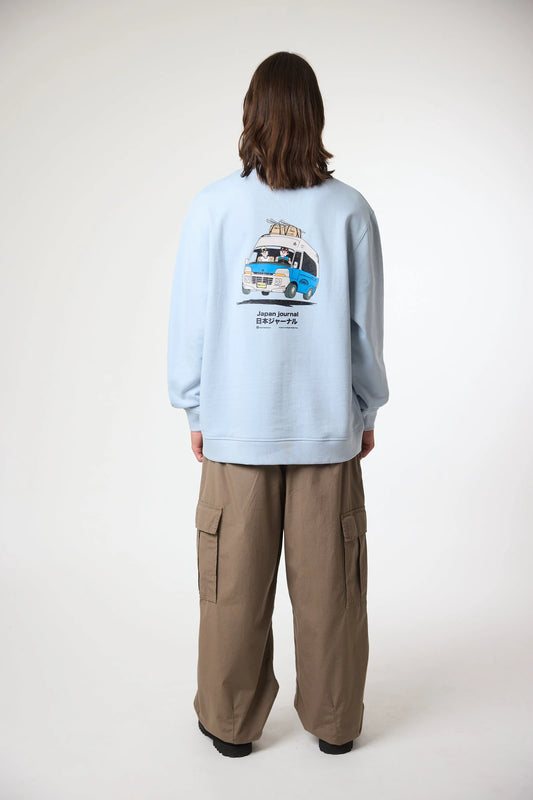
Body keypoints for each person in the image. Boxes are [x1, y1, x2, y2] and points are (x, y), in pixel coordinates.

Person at [167, 51, 389, 758]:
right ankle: (334, 723)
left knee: (232, 588)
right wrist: (364, 411)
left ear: (251, 115)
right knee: (332, 591)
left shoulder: (213, 207)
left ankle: (230, 724)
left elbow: (191, 321)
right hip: (326, 428)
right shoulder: (348, 209)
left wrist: (196, 410)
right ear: (314, 116)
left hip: (235, 429)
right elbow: (364, 329)